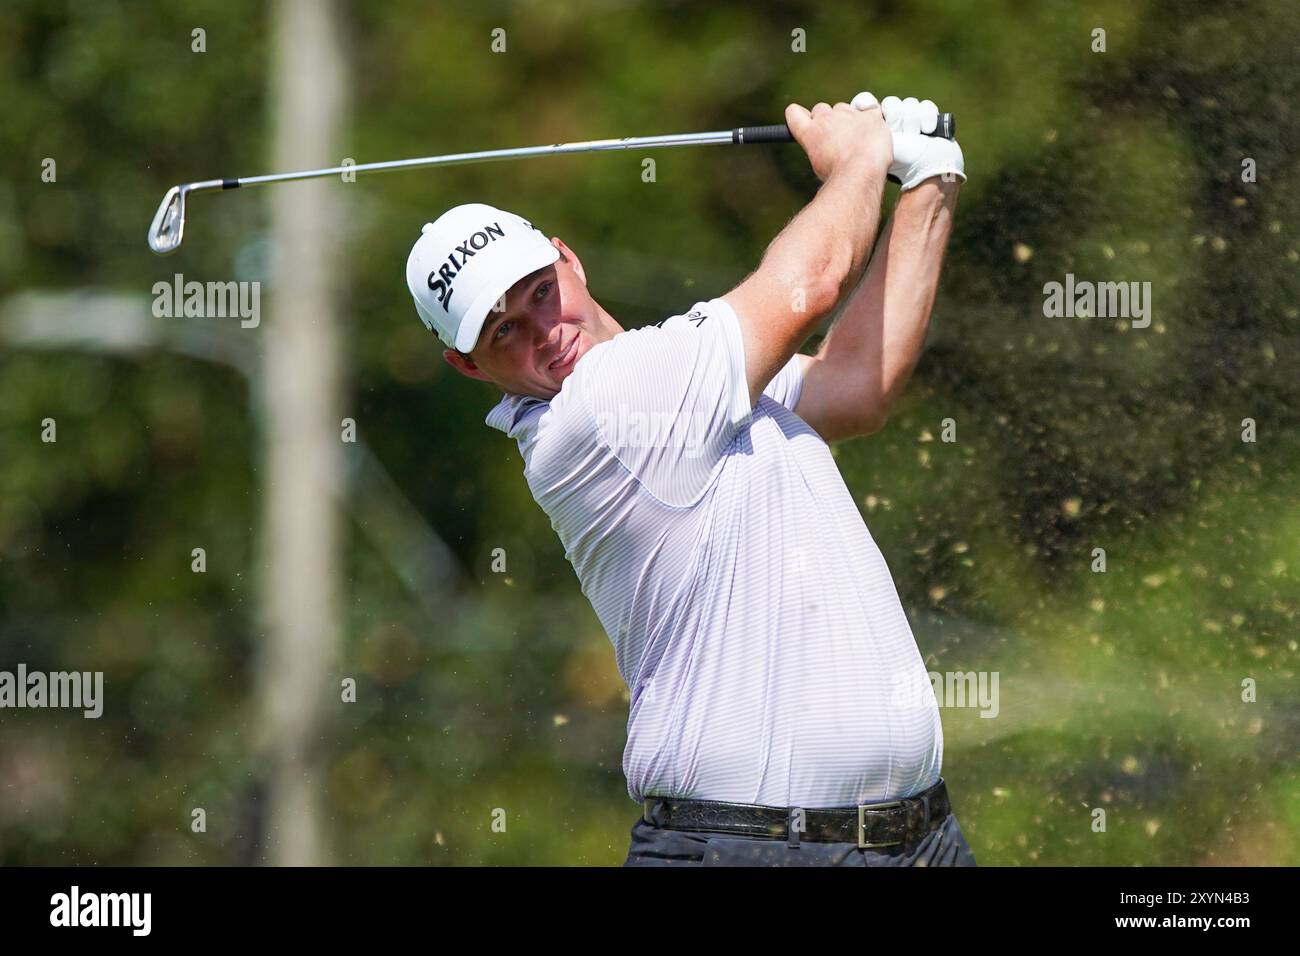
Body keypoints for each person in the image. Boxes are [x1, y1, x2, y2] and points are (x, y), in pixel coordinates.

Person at [405, 93, 974, 866]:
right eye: (505, 330)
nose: (546, 332)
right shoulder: (602, 411)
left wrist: (931, 177)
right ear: (468, 367)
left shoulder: (685, 379)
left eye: (541, 291)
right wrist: (861, 156)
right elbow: (810, 286)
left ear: (567, 258)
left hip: (914, 840)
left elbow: (855, 385)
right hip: (748, 847)